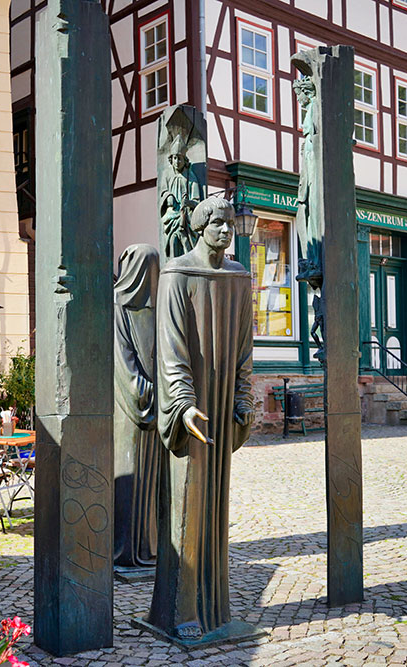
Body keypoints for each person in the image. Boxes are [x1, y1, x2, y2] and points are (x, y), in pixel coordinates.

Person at [148, 196, 254, 643]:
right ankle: (180, 610)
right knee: (188, 502)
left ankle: (215, 609)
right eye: (218, 223)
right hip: (192, 410)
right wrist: (183, 402)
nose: (226, 231)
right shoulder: (176, 274)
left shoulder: (238, 277)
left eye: (230, 223)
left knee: (216, 502)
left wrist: (243, 397)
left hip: (222, 405)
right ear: (199, 227)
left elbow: (245, 345)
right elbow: (170, 348)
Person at [113, 244, 162, 570]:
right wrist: (146, 394)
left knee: (152, 484)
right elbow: (123, 364)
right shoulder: (118, 309)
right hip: (129, 412)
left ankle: (149, 548)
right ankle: (125, 551)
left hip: (157, 410)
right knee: (131, 481)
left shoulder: (158, 310)